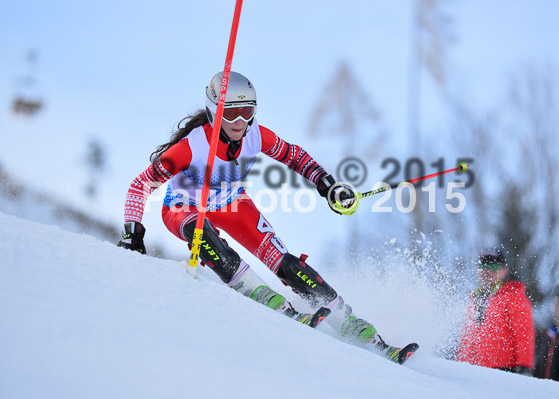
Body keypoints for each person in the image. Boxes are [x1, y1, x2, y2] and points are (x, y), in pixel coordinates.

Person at [117, 71, 416, 364]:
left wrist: (328, 185)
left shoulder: (255, 134)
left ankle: (346, 320)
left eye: (247, 112)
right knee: (200, 230)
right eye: (231, 113)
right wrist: (133, 234)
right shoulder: (190, 146)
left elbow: (294, 155)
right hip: (184, 206)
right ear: (214, 111)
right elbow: (139, 186)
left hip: (232, 203)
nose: (240, 122)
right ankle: (253, 288)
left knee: (283, 260)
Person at [456, 249, 535, 373]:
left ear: (504, 271)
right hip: (470, 371)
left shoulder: (513, 296)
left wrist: (524, 366)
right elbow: (465, 339)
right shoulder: (474, 300)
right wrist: (459, 365)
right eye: (483, 265)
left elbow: (524, 333)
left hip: (502, 370)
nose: (487, 270)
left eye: (493, 266)